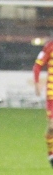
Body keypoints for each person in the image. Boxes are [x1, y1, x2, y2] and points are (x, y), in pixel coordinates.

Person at [32, 39, 53, 167]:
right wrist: (36, 82)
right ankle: (51, 153)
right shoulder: (49, 46)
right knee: (52, 127)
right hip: (52, 94)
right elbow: (37, 65)